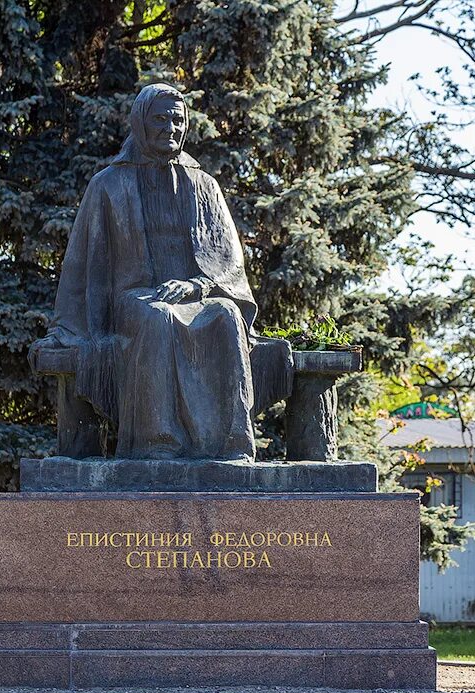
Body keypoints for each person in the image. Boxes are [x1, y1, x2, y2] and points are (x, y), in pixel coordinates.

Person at [39, 83, 289, 460]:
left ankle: (231, 443)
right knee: (157, 318)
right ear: (140, 122)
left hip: (198, 294)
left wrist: (195, 286)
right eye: (160, 119)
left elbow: (228, 261)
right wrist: (67, 326)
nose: (170, 128)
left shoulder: (204, 185)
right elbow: (81, 263)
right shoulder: (108, 185)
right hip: (134, 300)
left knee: (227, 316)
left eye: (177, 119)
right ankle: (158, 442)